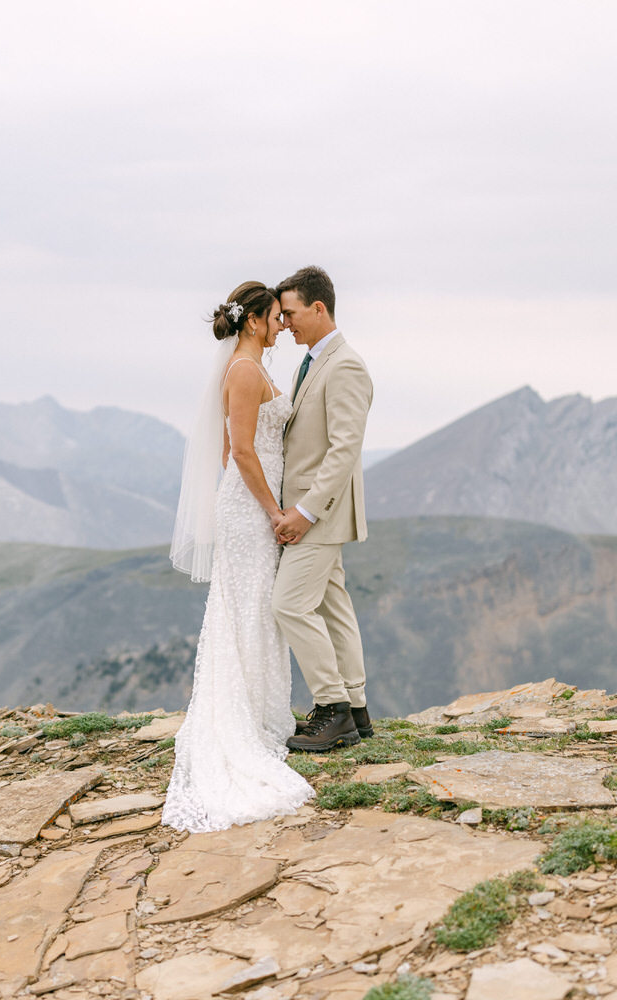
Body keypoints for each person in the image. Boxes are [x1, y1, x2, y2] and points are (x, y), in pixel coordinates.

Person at [163, 280, 314, 833]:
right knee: (249, 606)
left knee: (253, 606)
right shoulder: (246, 372)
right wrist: (273, 509)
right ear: (252, 320)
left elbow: (231, 449)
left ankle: (255, 715)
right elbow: (244, 450)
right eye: (275, 317)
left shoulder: (253, 368)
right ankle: (241, 724)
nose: (280, 325)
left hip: (248, 499)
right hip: (252, 506)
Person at [272, 266, 374, 753]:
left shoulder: (346, 365)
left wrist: (306, 511)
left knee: (288, 604)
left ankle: (331, 709)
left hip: (321, 513)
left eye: (290, 313)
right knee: (333, 607)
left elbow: (344, 449)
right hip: (312, 511)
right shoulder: (308, 364)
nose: (284, 323)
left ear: (318, 308)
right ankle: (357, 708)